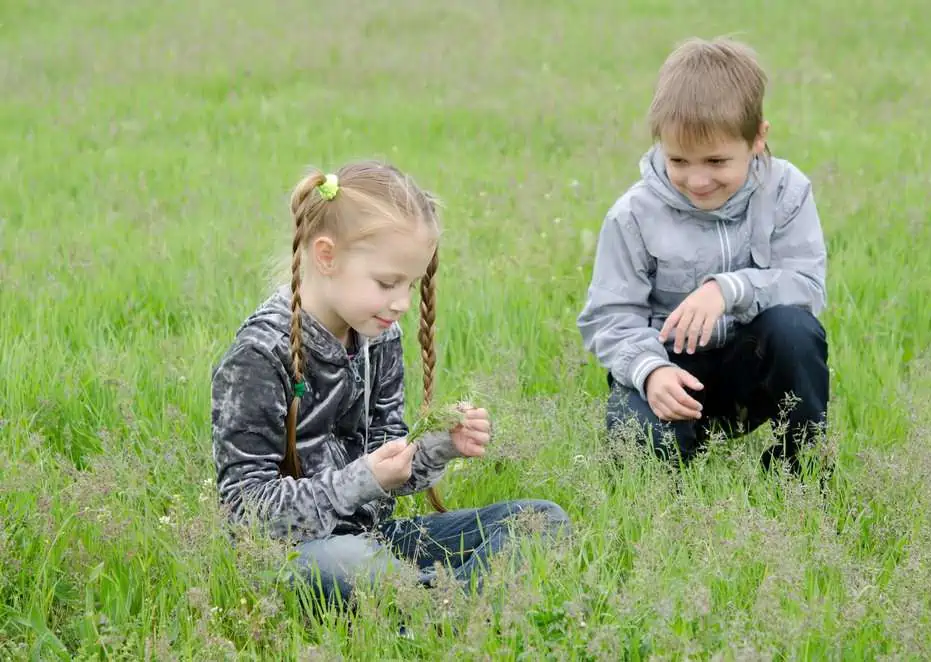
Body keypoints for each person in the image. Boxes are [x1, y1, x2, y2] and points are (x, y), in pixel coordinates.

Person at [211, 160, 569, 608]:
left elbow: (388, 469)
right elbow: (247, 512)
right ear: (327, 256)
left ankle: (432, 603)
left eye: (410, 284)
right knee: (348, 561)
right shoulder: (260, 355)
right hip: (298, 552)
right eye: (386, 283)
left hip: (373, 536)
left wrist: (437, 446)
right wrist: (358, 481)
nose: (401, 303)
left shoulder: (378, 335)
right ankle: (458, 605)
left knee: (538, 519)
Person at [577, 37, 829, 475]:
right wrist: (651, 372)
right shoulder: (633, 215)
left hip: (748, 365)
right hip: (670, 370)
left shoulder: (787, 190)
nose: (696, 180)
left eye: (716, 161)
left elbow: (806, 286)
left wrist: (729, 289)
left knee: (794, 330)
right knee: (639, 455)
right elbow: (609, 318)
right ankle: (677, 457)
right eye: (678, 159)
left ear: (757, 138)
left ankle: (798, 470)